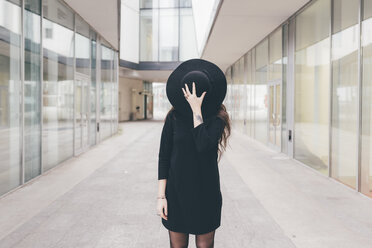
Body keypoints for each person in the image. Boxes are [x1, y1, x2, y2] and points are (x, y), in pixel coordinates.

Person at [156, 59, 231, 248]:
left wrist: (196, 109)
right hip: (176, 194)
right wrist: (161, 197)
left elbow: (202, 145)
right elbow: (164, 157)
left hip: (206, 194)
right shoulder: (174, 117)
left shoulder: (217, 119)